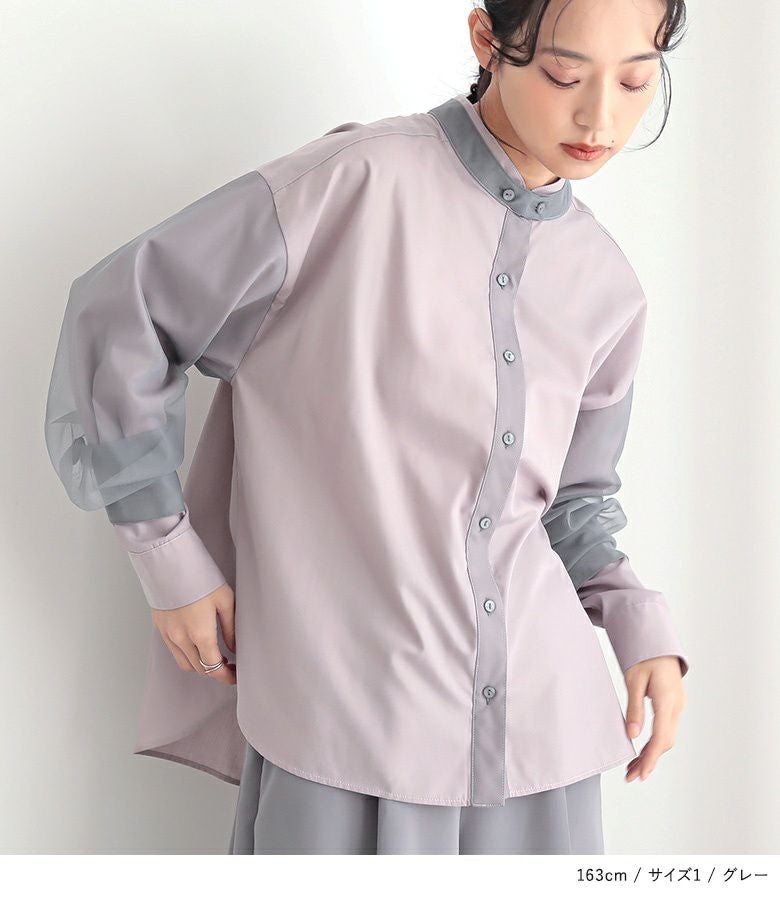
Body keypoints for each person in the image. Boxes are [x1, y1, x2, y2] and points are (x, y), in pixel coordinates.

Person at [44, 0, 691, 854]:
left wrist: (641, 630)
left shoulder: (607, 284)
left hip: (542, 745)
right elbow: (122, 314)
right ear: (487, 40)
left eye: (637, 82)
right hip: (346, 724)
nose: (600, 118)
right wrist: (170, 561)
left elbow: (573, 505)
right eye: (565, 74)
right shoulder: (348, 185)